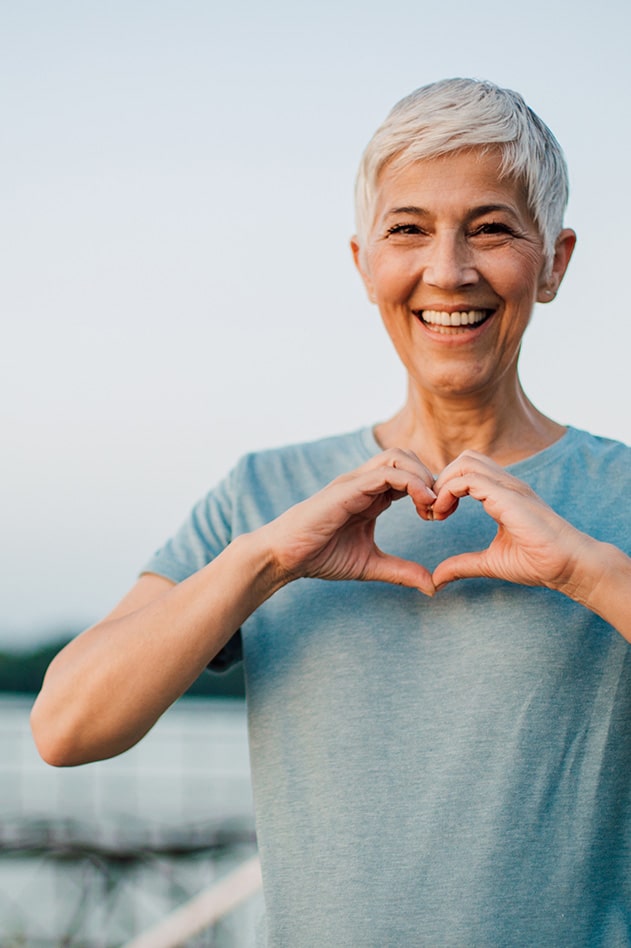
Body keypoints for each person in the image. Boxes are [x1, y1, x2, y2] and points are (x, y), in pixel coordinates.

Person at [32, 78, 631, 946]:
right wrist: (265, 561)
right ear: (363, 264)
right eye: (408, 230)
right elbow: (64, 726)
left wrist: (589, 571)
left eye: (492, 228)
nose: (448, 270)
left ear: (554, 263)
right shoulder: (263, 496)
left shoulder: (617, 496)